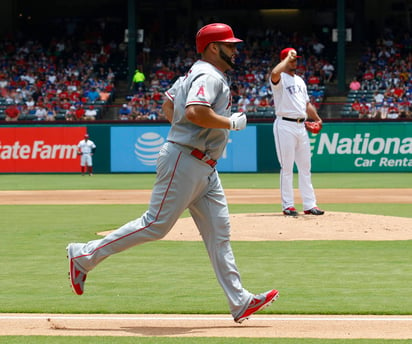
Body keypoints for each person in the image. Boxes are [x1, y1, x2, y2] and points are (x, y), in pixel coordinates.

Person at [66, 23, 278, 324]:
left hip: (202, 165)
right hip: (186, 160)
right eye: (229, 45)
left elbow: (168, 104)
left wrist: (185, 131)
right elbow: (194, 111)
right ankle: (83, 255)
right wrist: (227, 124)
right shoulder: (207, 75)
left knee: (219, 234)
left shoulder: (193, 73)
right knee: (155, 225)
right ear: (213, 48)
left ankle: (239, 300)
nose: (235, 49)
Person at [270, 47, 325, 216]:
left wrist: (317, 119)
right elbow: (274, 72)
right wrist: (287, 58)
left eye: (295, 59)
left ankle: (310, 204)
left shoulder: (300, 81)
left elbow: (307, 104)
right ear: (284, 60)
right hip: (284, 125)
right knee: (286, 167)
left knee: (305, 167)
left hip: (301, 126)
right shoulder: (279, 78)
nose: (295, 62)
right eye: (292, 59)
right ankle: (288, 205)